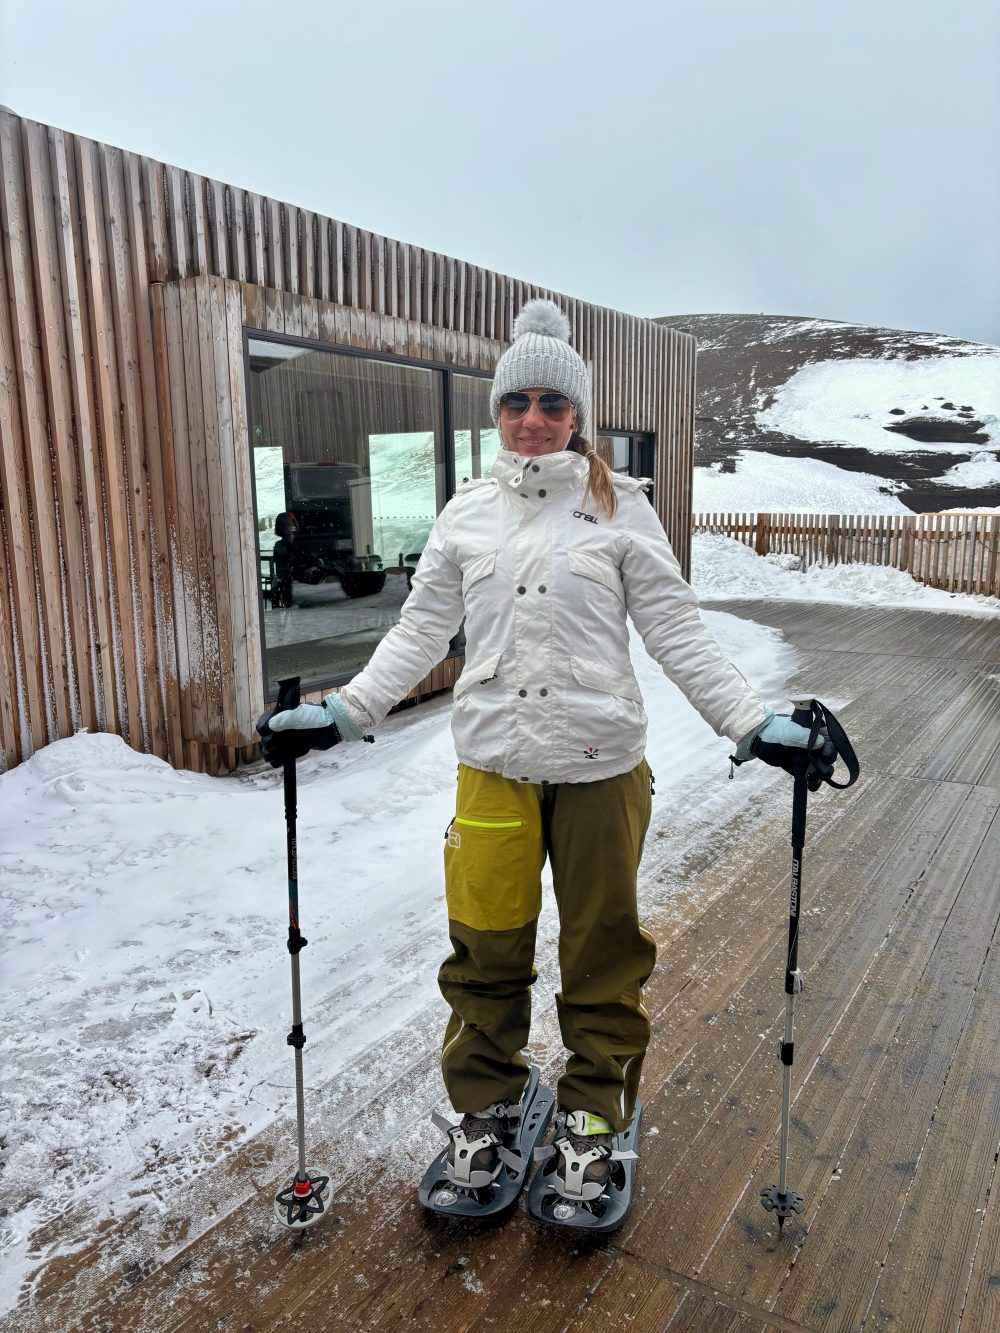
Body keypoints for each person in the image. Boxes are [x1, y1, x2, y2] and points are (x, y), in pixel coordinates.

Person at [259, 299, 819, 1202]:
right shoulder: (465, 517)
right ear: (497, 414)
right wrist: (349, 711)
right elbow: (420, 630)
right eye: (514, 401)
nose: (531, 419)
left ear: (576, 416)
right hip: (493, 766)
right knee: (485, 949)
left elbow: (677, 630)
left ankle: (593, 1116)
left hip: (602, 768)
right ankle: (486, 1107)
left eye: (550, 404)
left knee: (602, 951)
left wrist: (749, 724)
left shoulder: (622, 510)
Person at [271, 512, 298, 609]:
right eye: (288, 526)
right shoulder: (279, 546)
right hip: (287, 577)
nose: (291, 528)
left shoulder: (299, 543)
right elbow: (281, 566)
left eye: (292, 525)